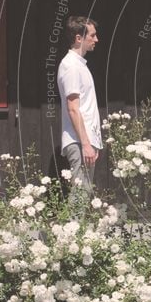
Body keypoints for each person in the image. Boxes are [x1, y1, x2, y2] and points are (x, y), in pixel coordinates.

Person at [58, 16, 102, 195]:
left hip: (83, 141)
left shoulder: (79, 65)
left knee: (83, 196)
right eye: (92, 35)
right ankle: (74, 225)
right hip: (78, 142)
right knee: (80, 197)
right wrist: (85, 144)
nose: (96, 39)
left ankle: (76, 224)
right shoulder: (71, 67)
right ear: (78, 38)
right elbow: (73, 108)